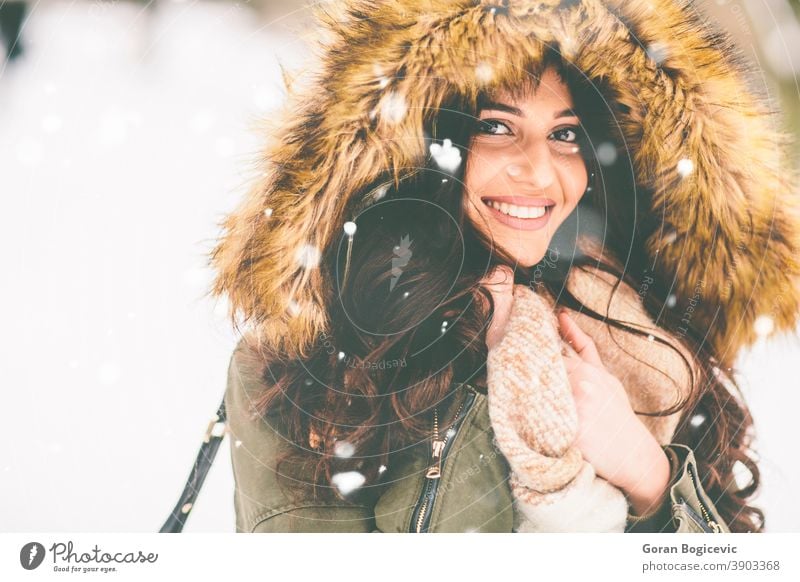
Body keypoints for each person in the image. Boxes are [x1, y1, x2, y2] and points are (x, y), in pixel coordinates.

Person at [209, 0, 800, 533]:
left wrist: (647, 474)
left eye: (566, 134)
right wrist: (490, 403)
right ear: (420, 146)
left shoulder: (646, 347)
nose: (541, 173)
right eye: (495, 126)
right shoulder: (307, 360)